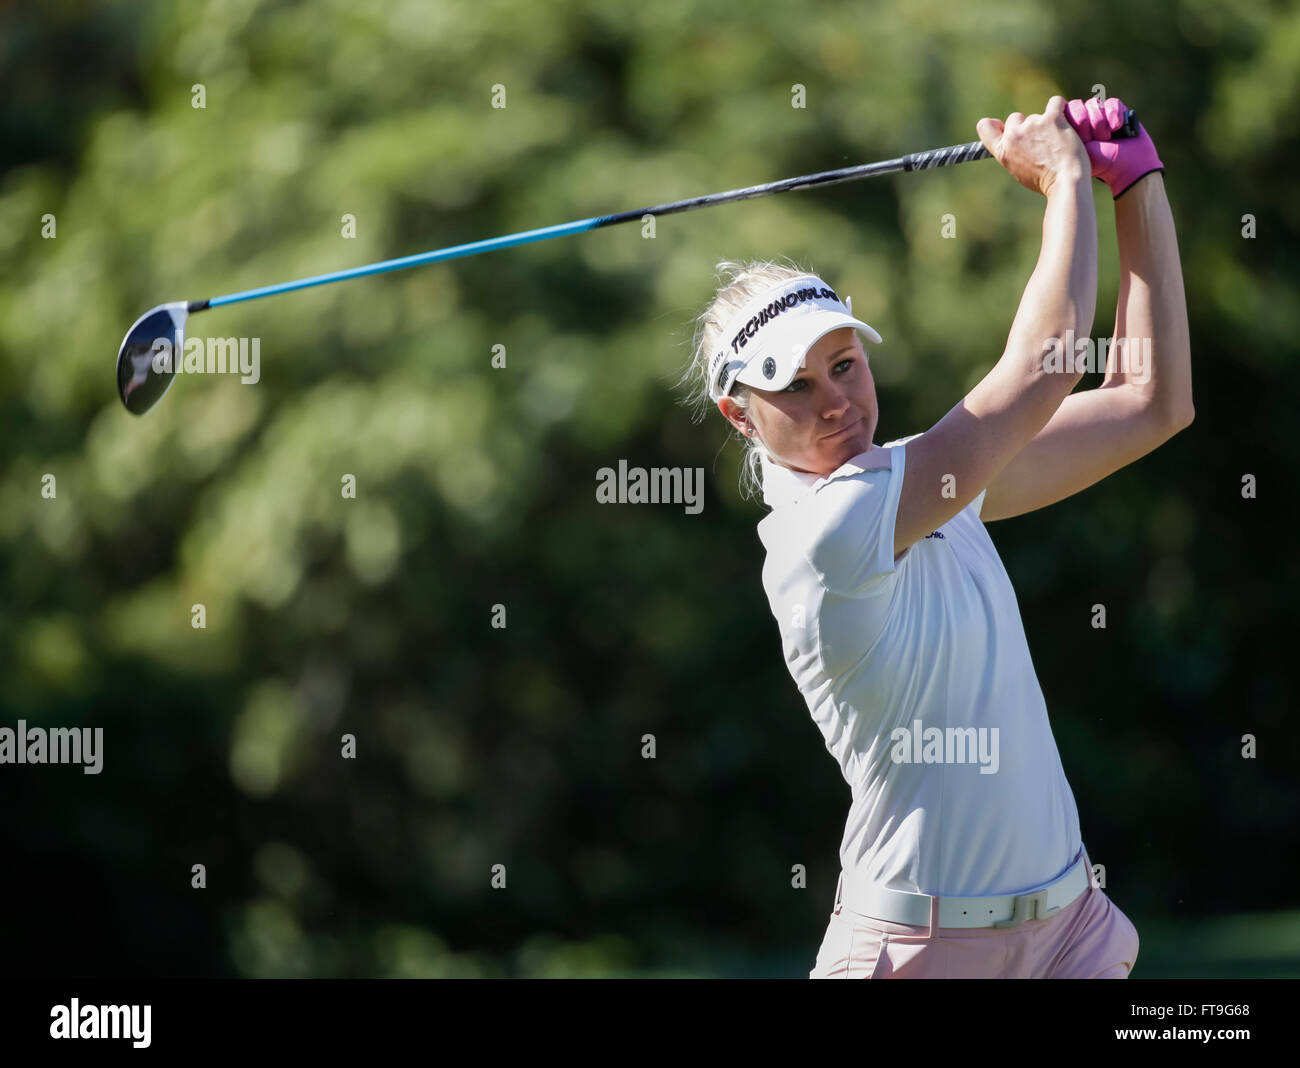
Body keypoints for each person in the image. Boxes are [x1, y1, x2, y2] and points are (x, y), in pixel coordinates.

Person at [682, 95, 1191, 978]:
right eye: (794, 387)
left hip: (1069, 929)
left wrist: (1135, 181)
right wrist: (1064, 177)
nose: (835, 400)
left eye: (843, 364)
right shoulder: (828, 532)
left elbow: (1151, 403)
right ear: (739, 413)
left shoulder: (927, 483)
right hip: (916, 952)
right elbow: (1043, 371)